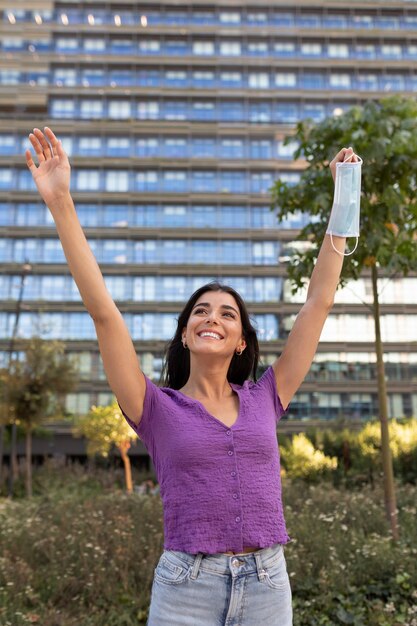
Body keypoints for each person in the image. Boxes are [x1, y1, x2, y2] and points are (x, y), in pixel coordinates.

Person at [26, 127, 359, 625]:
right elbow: (104, 314)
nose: (212, 318)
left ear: (241, 340)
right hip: (186, 590)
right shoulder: (154, 407)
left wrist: (345, 196)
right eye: (201, 311)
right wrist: (61, 202)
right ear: (185, 334)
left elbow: (317, 304)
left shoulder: (266, 396)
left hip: (268, 585)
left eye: (228, 314)